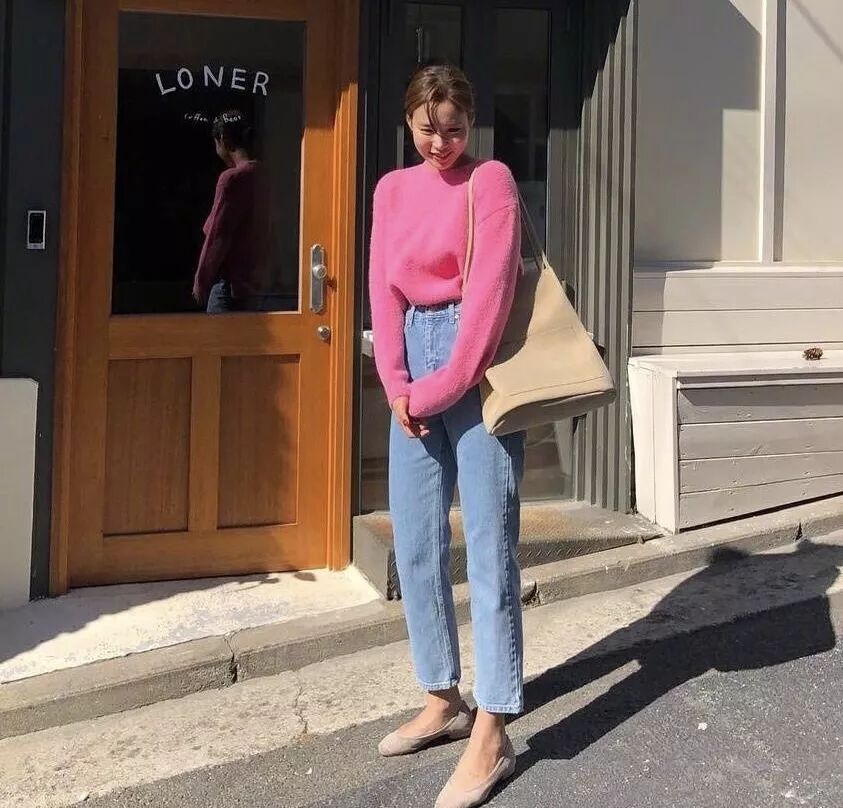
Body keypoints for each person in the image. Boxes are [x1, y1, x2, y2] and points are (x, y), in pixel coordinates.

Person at [368, 64, 524, 808]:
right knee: (417, 543)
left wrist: (429, 390)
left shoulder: (490, 181)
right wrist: (395, 383)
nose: (441, 143)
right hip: (411, 361)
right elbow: (381, 287)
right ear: (408, 121)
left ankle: (493, 730)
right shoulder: (391, 189)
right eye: (428, 129)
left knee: (490, 547)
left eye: (454, 128)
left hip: (476, 367)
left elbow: (490, 297)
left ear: (471, 122)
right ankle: (442, 696)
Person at [192, 110, 272, 312]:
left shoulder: (231, 179)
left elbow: (218, 236)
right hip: (259, 285)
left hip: (230, 285)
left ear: (223, 140)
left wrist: (201, 282)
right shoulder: (266, 174)